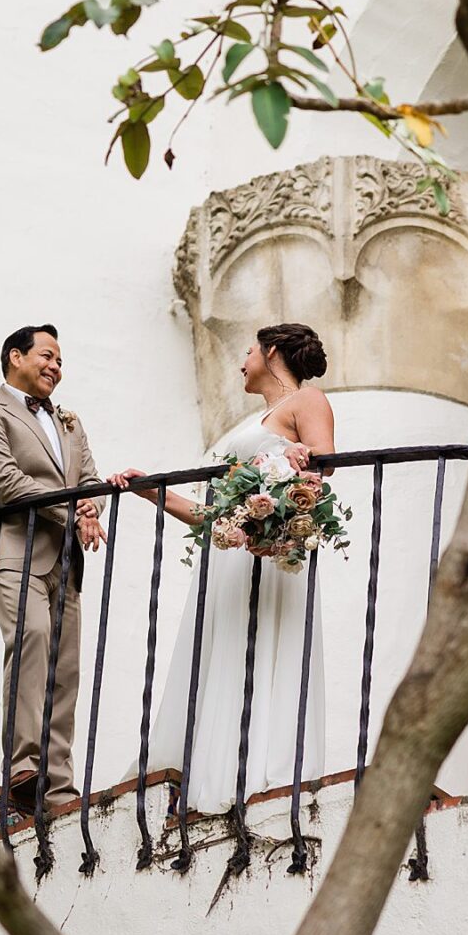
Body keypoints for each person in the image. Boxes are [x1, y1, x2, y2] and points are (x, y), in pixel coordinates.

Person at [111, 323, 335, 814]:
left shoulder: (307, 401)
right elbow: (215, 514)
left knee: (264, 651)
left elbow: (322, 471)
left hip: (271, 555)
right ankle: (211, 777)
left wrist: (297, 465)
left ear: (272, 351)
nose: (242, 360)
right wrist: (152, 489)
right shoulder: (261, 417)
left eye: (249, 349)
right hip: (233, 554)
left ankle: (263, 779)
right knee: (226, 655)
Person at [0, 324, 106, 815]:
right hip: (14, 548)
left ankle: (60, 787)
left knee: (66, 670)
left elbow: (88, 482)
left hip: (67, 560)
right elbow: (2, 480)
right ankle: (25, 765)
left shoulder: (70, 424)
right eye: (47, 356)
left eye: (61, 362)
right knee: (32, 638)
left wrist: (90, 511)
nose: (56, 368)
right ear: (15, 356)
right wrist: (71, 511)